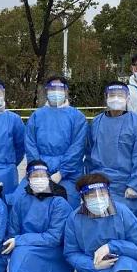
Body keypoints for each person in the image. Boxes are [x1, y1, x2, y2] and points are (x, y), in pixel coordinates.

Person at [2, 160, 74, 272]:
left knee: (23, 254)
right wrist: (11, 246)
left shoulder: (58, 202)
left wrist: (20, 241)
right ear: (28, 178)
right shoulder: (21, 200)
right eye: (34, 176)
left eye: (42, 175)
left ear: (48, 177)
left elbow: (54, 238)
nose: (39, 179)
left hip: (52, 251)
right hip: (26, 246)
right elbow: (13, 230)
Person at [85, 82, 137, 216]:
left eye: (120, 95)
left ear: (128, 98)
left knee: (121, 221)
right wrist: (88, 181)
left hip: (126, 186)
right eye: (112, 95)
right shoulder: (97, 122)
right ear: (106, 97)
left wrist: (135, 185)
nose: (116, 98)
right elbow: (89, 154)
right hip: (99, 182)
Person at [25, 77, 88, 208]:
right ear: (46, 91)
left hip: (68, 175)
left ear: (66, 91)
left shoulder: (77, 117)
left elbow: (77, 148)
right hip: (39, 173)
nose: (56, 92)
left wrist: (61, 173)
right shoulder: (36, 116)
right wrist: (38, 171)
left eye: (60, 88)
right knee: (26, 202)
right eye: (52, 88)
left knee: (66, 206)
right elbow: (30, 145)